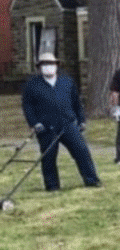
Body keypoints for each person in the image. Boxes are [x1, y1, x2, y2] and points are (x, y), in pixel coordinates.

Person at [20, 53, 101, 191]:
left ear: (56, 65)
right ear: (40, 67)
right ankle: (52, 186)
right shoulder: (32, 84)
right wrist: (34, 123)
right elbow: (27, 106)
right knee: (48, 157)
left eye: (51, 64)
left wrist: (81, 120)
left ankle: (92, 180)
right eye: (44, 64)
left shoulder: (67, 82)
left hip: (68, 124)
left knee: (82, 151)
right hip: (45, 127)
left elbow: (76, 102)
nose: (48, 67)